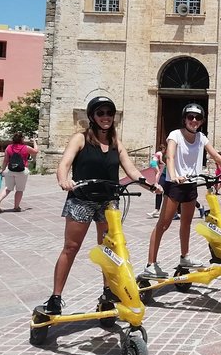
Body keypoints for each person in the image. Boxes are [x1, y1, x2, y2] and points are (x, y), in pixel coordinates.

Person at [42, 96, 162, 314]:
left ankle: (107, 292)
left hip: (108, 201)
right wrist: (63, 180)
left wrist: (151, 186)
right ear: (92, 116)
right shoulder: (80, 139)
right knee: (71, 247)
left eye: (109, 113)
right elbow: (65, 164)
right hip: (82, 199)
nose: (106, 117)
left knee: (109, 249)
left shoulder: (116, 142)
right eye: (101, 113)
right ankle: (55, 297)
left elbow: (132, 171)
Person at [141, 103, 221, 278]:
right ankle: (151, 264)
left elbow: (215, 155)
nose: (194, 120)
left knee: (186, 223)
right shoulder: (175, 135)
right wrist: (173, 175)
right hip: (175, 185)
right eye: (190, 117)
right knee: (163, 224)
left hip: (191, 184)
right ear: (184, 119)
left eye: (198, 117)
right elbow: (169, 156)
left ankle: (185, 256)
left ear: (201, 121)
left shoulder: (201, 137)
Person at [0, 132, 38, 212]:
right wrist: (34, 141)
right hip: (22, 171)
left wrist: (2, 170)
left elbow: (5, 161)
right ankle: (16, 207)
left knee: (8, 188)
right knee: (19, 189)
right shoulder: (25, 147)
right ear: (22, 139)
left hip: (10, 170)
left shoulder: (9, 147)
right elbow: (36, 151)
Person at [147, 144, 167, 218]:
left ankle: (199, 207)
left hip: (171, 176)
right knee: (159, 190)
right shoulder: (163, 154)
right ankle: (156, 210)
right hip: (164, 175)